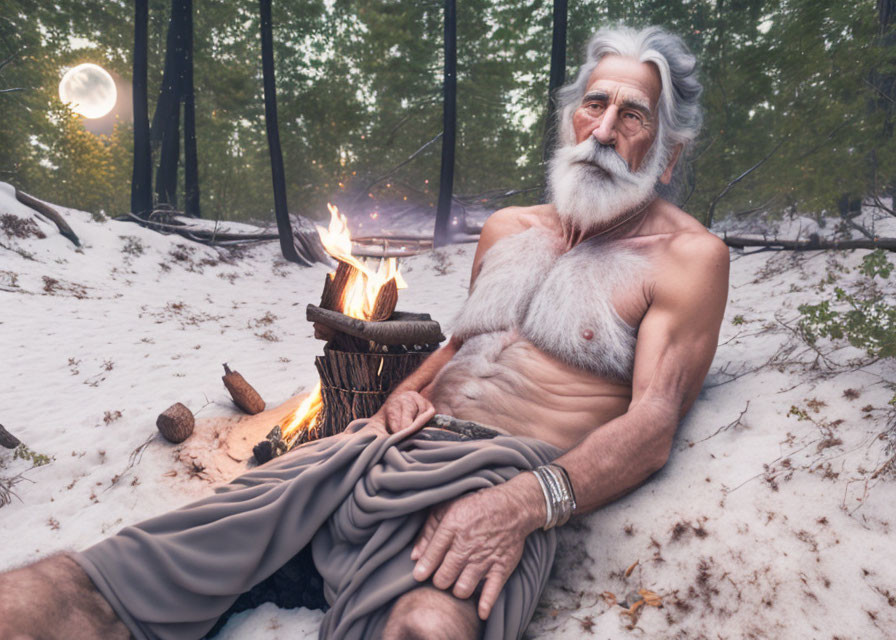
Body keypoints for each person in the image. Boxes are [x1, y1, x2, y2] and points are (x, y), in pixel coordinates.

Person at [0, 24, 728, 640]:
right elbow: (458, 349)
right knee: (63, 592)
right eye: (594, 104)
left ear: (667, 154)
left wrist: (519, 506)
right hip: (364, 455)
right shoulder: (510, 230)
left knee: (427, 628)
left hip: (492, 482)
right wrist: (395, 401)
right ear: (571, 119)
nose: (604, 130)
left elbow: (654, 419)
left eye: (633, 116)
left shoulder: (687, 259)